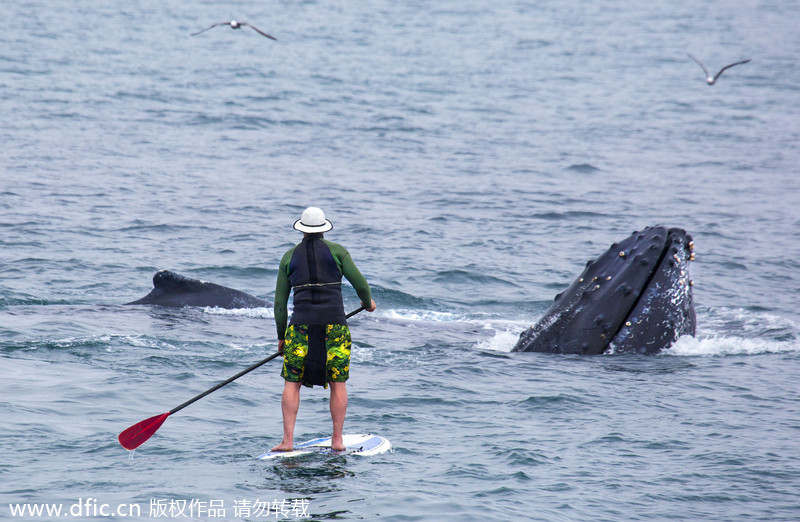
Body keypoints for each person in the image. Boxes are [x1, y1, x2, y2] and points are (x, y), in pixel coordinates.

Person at [271, 207, 376, 452]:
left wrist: (280, 337)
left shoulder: (288, 257)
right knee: (338, 382)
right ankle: (337, 441)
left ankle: (288, 441)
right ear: (323, 229)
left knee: (291, 382)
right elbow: (361, 285)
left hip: (300, 329)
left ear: (302, 230)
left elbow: (279, 305)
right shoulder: (338, 252)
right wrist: (367, 303)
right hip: (335, 327)